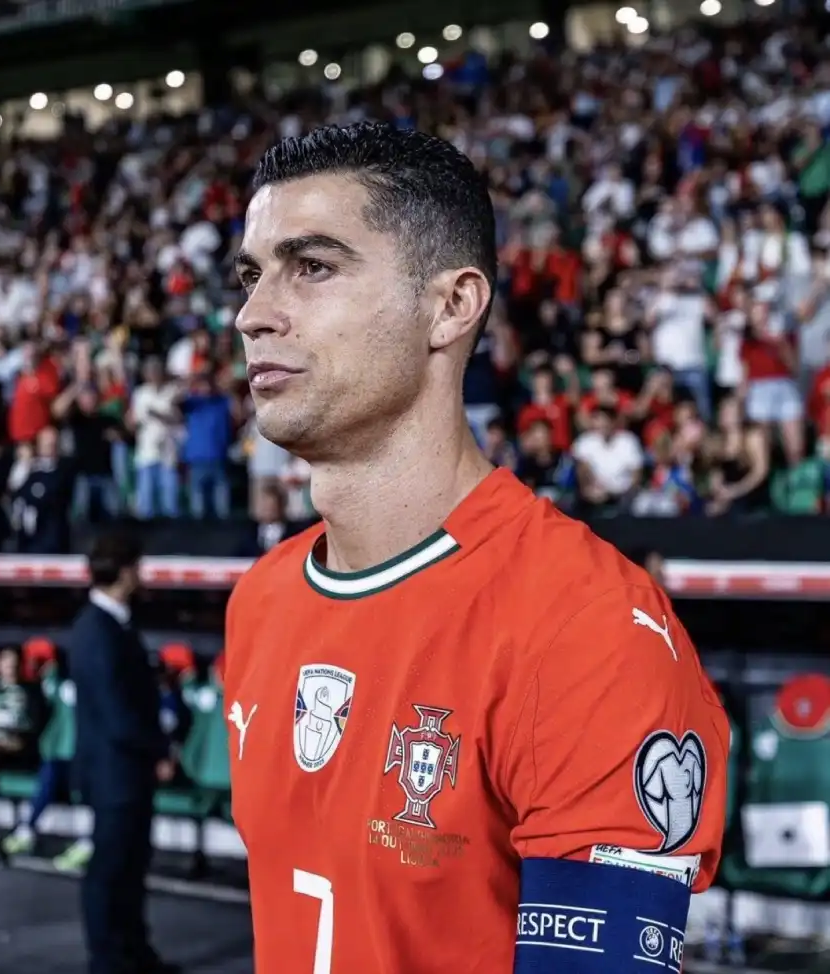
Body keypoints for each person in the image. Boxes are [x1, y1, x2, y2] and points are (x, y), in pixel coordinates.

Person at [224, 122, 729, 974]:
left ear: (452, 305)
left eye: (311, 266)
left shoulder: (590, 628)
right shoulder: (261, 599)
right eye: (251, 274)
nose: (252, 314)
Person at [67, 529, 179, 974]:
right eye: (137, 567)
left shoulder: (109, 625)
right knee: (111, 871)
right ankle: (108, 960)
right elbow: (117, 713)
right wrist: (159, 750)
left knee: (130, 870)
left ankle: (133, 953)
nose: (141, 575)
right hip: (116, 773)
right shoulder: (99, 630)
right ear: (124, 571)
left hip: (123, 771)